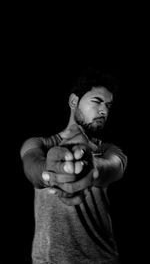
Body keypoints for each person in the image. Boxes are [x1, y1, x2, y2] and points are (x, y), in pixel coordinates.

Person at [20, 68, 127, 264]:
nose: (104, 110)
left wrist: (92, 168)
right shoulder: (38, 144)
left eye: (109, 106)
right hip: (47, 260)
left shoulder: (110, 150)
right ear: (73, 101)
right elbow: (31, 166)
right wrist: (49, 173)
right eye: (97, 101)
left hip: (100, 259)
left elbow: (113, 168)